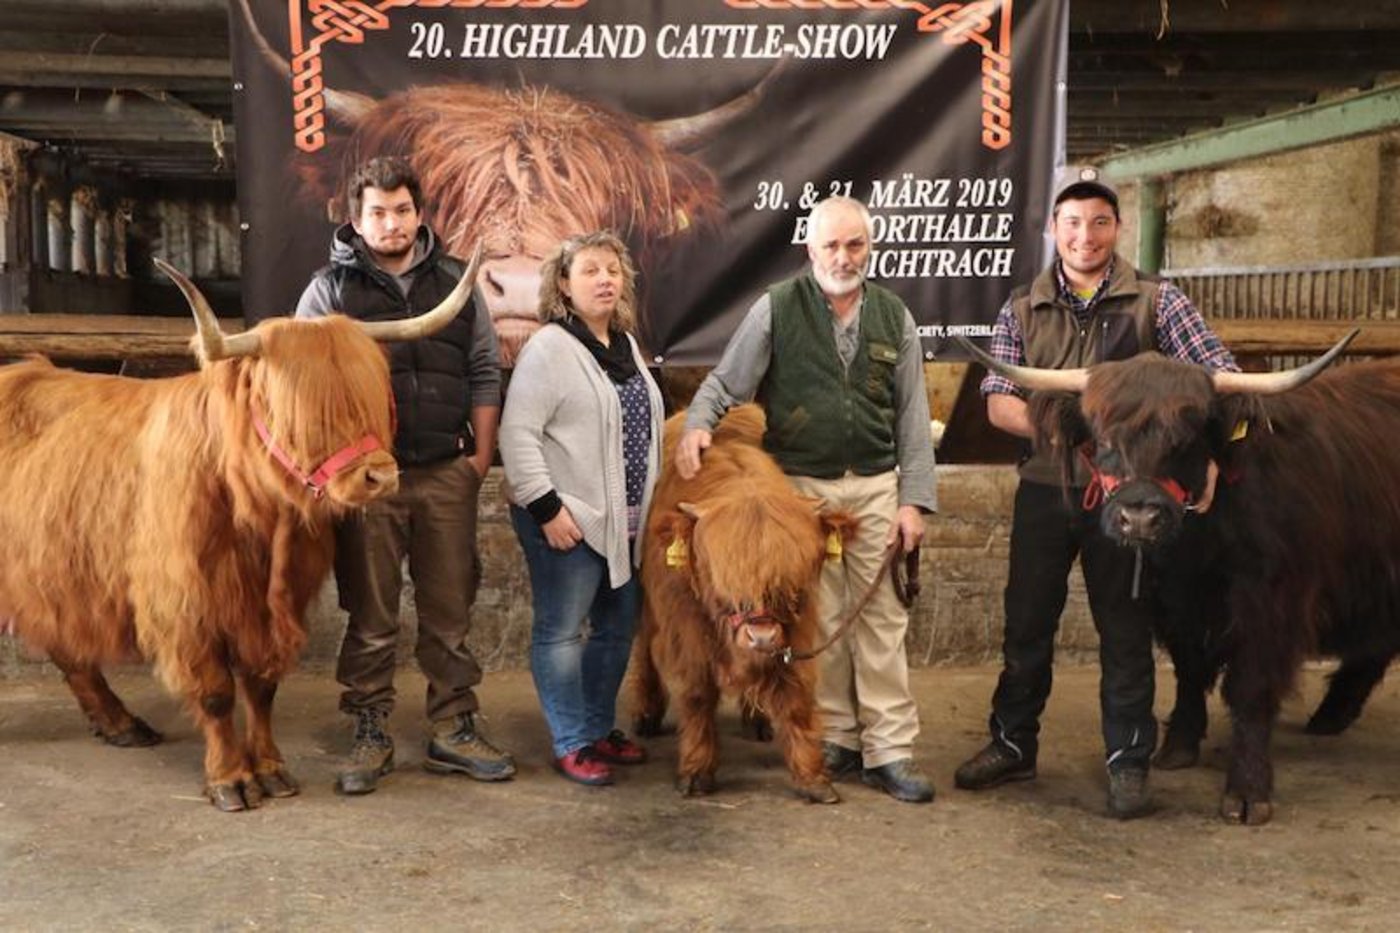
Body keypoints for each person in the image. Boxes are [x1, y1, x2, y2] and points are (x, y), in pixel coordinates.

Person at [952, 168, 1238, 819]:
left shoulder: (1160, 302)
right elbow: (999, 402)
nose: (1086, 234)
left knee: (1126, 627)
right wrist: (1086, 433)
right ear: (1054, 229)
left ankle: (1128, 760)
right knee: (1027, 623)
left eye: (1100, 221)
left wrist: (1204, 452)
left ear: (1116, 228)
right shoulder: (1022, 307)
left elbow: (1216, 376)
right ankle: (1012, 743)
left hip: (1135, 498)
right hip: (1046, 491)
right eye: (1073, 222)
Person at [676, 195, 939, 804]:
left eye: (855, 246)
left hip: (875, 486)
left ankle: (890, 750)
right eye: (831, 246)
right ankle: (841, 740)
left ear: (869, 249)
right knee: (816, 616)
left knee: (881, 618)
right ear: (810, 250)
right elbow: (726, 382)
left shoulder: (894, 316)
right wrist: (698, 425)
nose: (843, 258)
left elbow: (913, 417)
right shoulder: (775, 309)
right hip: (797, 495)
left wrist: (914, 502)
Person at [296, 155, 515, 795]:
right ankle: (370, 727)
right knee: (371, 610)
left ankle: (454, 726)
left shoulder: (455, 283)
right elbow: (305, 385)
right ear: (356, 220)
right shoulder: (328, 291)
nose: (390, 223)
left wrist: (478, 460)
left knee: (450, 607)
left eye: (401, 210)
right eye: (377, 213)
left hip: (447, 470)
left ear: (419, 214)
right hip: (369, 481)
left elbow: (483, 371)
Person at [499, 231, 663, 786]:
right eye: (590, 270)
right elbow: (517, 434)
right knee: (562, 632)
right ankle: (571, 740)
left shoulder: (627, 346)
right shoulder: (549, 348)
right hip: (566, 520)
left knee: (617, 630)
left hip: (625, 524)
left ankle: (596, 729)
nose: (604, 280)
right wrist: (548, 510)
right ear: (564, 287)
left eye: (612, 270)